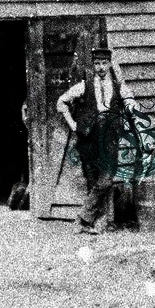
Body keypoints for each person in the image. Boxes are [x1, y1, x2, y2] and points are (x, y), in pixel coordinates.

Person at [58, 47, 136, 235]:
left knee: (106, 180)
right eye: (97, 63)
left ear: (109, 64)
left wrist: (128, 111)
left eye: (104, 63)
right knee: (93, 181)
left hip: (110, 137)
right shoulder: (84, 86)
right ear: (93, 65)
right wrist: (73, 124)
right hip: (89, 138)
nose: (100, 67)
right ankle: (95, 224)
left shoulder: (119, 86)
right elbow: (61, 102)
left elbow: (131, 103)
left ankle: (84, 217)